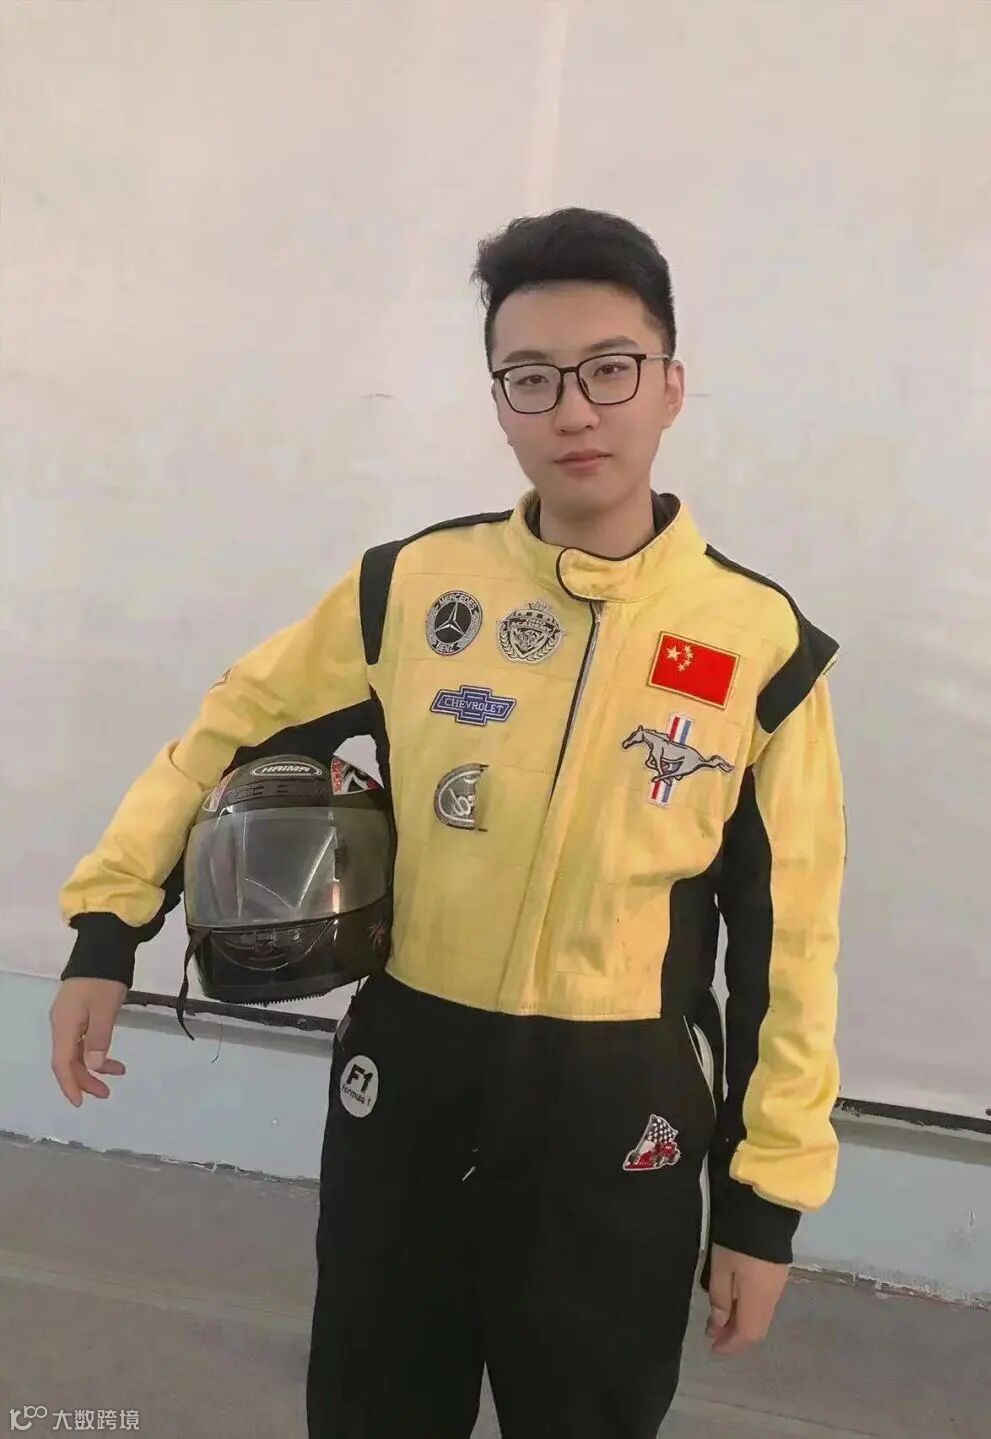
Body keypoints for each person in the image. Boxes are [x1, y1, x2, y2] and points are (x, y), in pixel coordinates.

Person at [50, 207, 846, 1439]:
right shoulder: (413, 590)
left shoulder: (763, 647)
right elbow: (228, 729)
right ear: (499, 404)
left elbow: (793, 949)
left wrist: (764, 1205)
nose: (573, 410)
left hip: (618, 1115)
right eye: (532, 378)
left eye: (609, 368)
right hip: (411, 1084)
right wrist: (108, 929)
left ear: (671, 386)